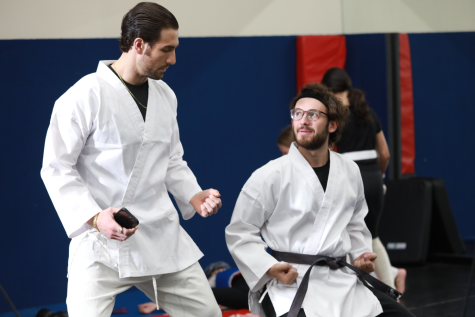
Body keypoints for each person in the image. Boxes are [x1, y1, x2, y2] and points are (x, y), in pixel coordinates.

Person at [40, 3, 222, 317]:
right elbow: (57, 168)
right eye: (167, 49)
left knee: (207, 314)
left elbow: (172, 159)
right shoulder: (84, 96)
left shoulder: (165, 95)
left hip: (159, 237)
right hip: (100, 243)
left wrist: (195, 195)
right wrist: (96, 218)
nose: (173, 59)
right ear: (139, 45)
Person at [225, 83, 415, 317]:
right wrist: (270, 267)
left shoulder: (349, 170)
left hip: (342, 280)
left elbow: (355, 224)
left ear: (332, 124)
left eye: (313, 114)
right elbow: (240, 232)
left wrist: (360, 255)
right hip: (292, 283)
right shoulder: (268, 175)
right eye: (297, 114)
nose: (303, 120)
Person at [321, 68, 406, 294]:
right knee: (373, 236)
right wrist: (380, 177)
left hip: (351, 178)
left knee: (348, 236)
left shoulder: (335, 118)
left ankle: (379, 290)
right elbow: (385, 153)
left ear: (328, 91)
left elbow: (327, 152)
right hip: (375, 178)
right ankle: (390, 287)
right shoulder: (368, 112)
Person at [138, 262, 249, 314]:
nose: (221, 271)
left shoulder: (237, 275)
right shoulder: (223, 289)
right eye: (217, 271)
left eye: (222, 269)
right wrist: (158, 305)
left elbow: (195, 295)